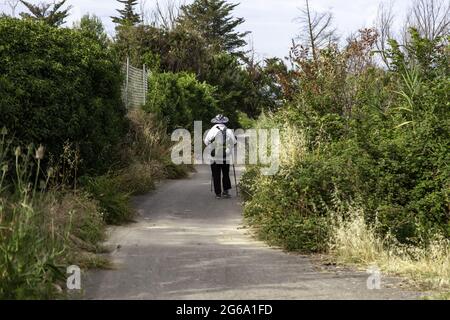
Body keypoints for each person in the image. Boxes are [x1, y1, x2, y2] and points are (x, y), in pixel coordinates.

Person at [204, 114, 237, 199]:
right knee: (225, 174)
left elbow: (206, 142)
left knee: (216, 174)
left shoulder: (211, 130)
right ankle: (226, 192)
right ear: (224, 121)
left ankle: (218, 193)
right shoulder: (229, 131)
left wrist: (212, 148)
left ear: (216, 121)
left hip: (214, 157)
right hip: (225, 156)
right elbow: (234, 142)